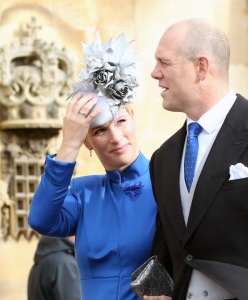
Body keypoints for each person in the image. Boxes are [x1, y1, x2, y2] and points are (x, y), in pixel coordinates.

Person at [28, 33, 157, 300]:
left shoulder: (166, 180)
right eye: (99, 131)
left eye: (121, 122)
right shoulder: (83, 194)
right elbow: (40, 219)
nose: (116, 138)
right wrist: (69, 143)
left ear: (132, 117)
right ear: (88, 141)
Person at [146, 18, 248, 300]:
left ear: (201, 67)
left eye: (164, 62)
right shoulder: (162, 158)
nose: (154, 73)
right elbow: (167, 249)